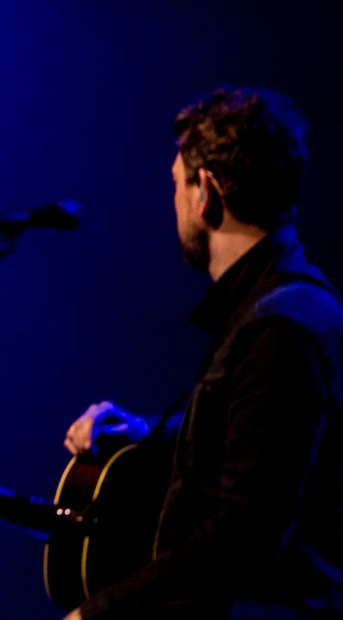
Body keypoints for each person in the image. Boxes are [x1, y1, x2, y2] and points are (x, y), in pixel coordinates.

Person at [62, 88, 343, 619]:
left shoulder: (280, 325)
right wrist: (150, 432)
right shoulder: (274, 309)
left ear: (205, 191)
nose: (172, 201)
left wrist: (99, 614)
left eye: (175, 184)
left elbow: (243, 533)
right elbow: (257, 438)